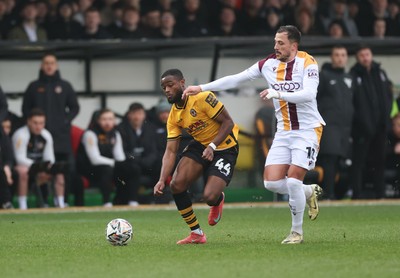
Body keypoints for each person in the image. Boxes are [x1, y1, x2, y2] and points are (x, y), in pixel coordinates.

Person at [184, 25, 324, 244]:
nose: (275, 46)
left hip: (307, 130)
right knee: (271, 183)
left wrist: (277, 92)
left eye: (281, 43)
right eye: (275, 41)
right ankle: (308, 192)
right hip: (284, 131)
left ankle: (296, 232)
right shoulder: (267, 64)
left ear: (294, 46)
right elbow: (236, 79)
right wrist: (201, 87)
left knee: (293, 180)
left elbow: (308, 94)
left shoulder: (308, 63)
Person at [154, 68, 239, 244]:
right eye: (164, 87)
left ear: (182, 83)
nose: (167, 90)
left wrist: (213, 146)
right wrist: (162, 179)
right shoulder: (173, 116)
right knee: (176, 185)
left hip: (225, 147)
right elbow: (170, 151)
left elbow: (228, 122)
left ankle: (217, 200)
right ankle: (197, 233)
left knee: (209, 197)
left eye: (170, 85)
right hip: (201, 145)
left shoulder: (202, 97)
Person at [22, 53, 80, 206]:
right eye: (46, 63)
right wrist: (35, 126)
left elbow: (75, 107)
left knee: (64, 169)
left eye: (52, 63)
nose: (49, 66)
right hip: (40, 137)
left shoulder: (65, 85)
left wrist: (65, 121)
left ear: (56, 66)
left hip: (61, 137)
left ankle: (63, 200)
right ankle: (45, 201)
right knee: (43, 167)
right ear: (42, 66)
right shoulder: (34, 86)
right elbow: (25, 109)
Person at [350, 45, 393, 199]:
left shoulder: (380, 73)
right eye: (362, 55)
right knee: (359, 163)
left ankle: (380, 194)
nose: (365, 58)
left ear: (371, 55)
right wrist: (361, 122)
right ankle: (357, 195)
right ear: (357, 57)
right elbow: (353, 104)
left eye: (367, 54)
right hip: (362, 129)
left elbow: (388, 97)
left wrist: (386, 120)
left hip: (381, 127)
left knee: (380, 162)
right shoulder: (353, 75)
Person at [317, 45, 353, 200]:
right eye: (337, 55)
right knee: (329, 160)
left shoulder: (350, 79)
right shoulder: (324, 76)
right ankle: (327, 194)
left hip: (346, 128)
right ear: (332, 57)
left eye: (343, 55)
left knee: (342, 162)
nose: (340, 58)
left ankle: (339, 195)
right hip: (329, 127)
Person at [12, 108, 65, 210]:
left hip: (40, 167)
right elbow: (19, 158)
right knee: (23, 171)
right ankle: (23, 205)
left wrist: (46, 168)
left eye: (41, 123)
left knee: (59, 173)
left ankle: (60, 204)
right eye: (35, 123)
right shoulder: (20, 135)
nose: (38, 126)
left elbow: (50, 158)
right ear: (28, 122)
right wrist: (38, 168)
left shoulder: (46, 135)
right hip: (24, 167)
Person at [77, 109, 126, 207]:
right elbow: (94, 159)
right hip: (89, 169)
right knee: (106, 169)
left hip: (109, 166)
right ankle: (106, 202)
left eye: (110, 119)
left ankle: (126, 201)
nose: (107, 122)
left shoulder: (115, 134)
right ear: (97, 120)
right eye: (104, 119)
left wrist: (121, 165)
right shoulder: (90, 134)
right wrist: (115, 163)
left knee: (130, 168)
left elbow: (120, 157)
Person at [115, 102, 158, 206]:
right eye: (134, 113)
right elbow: (123, 151)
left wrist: (146, 161)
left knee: (159, 165)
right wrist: (136, 160)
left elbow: (153, 150)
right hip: (129, 163)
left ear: (144, 115)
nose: (137, 116)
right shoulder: (120, 129)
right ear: (129, 115)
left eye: (139, 113)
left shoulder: (150, 128)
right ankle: (132, 200)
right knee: (133, 169)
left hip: (146, 162)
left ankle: (156, 198)